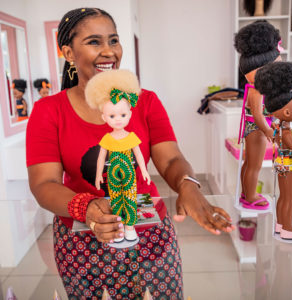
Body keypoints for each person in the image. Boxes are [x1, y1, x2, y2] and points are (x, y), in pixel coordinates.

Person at [26, 7, 234, 299]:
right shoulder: (48, 111)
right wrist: (88, 208)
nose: (109, 51)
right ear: (68, 53)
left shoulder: (145, 101)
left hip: (148, 232)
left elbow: (171, 158)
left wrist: (188, 185)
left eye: (113, 40)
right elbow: (43, 183)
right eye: (94, 42)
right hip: (82, 237)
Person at [86, 69, 151, 242]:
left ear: (129, 114)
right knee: (115, 199)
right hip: (113, 174)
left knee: (129, 197)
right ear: (104, 117)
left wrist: (144, 170)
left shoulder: (131, 137)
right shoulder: (107, 138)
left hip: (129, 173)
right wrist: (99, 174)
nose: (118, 119)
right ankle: (119, 227)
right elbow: (101, 158)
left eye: (122, 115)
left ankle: (130, 227)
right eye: (112, 116)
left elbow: (138, 154)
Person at [234, 20, 281, 210]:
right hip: (256, 130)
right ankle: (250, 195)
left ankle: (247, 193)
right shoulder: (256, 91)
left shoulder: (258, 89)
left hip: (256, 129)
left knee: (250, 164)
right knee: (254, 165)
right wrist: (268, 131)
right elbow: (258, 115)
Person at [255, 61, 292, 239]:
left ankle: (280, 224)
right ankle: (288, 228)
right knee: (290, 198)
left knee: (283, 196)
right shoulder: (287, 132)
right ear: (287, 113)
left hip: (281, 165)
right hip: (289, 167)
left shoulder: (278, 126)